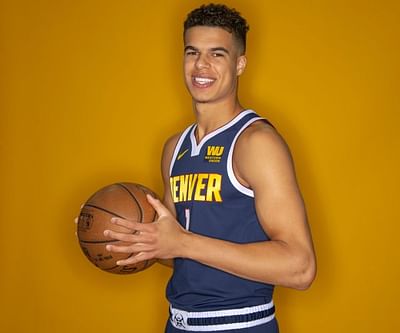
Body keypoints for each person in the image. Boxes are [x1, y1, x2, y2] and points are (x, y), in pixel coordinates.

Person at [104, 4, 316, 332]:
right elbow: (172, 249)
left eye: (217, 54)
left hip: (240, 325)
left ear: (240, 63)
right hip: (177, 323)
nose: (201, 65)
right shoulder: (174, 148)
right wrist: (131, 236)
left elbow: (300, 268)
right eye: (192, 52)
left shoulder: (256, 143)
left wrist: (183, 243)